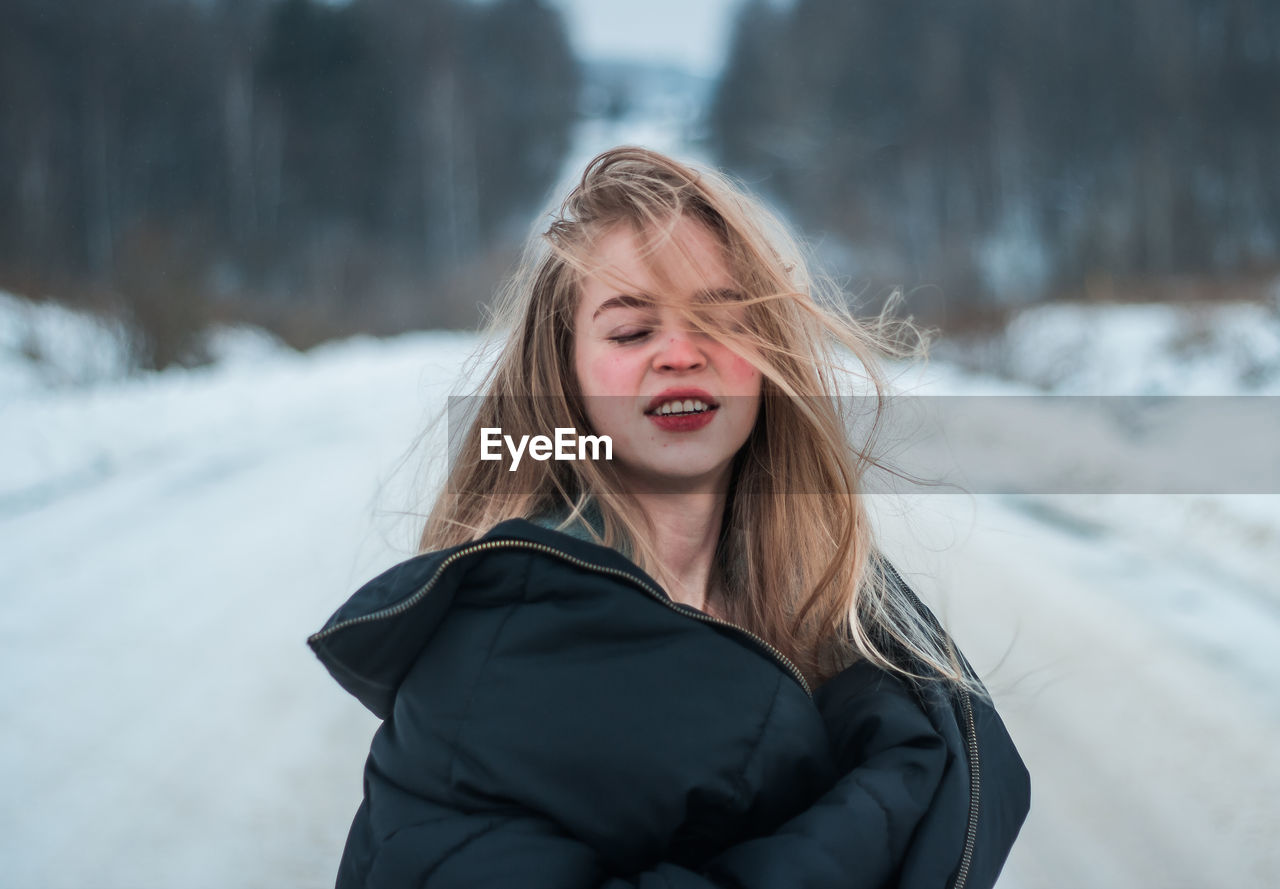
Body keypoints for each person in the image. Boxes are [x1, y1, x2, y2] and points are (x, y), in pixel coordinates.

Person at [309, 146, 1030, 888]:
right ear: (567, 374)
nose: (681, 354)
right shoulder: (484, 660)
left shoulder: (843, 613)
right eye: (630, 332)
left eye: (721, 320)